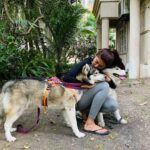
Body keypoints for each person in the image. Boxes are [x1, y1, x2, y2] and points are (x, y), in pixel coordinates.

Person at [60, 48, 125, 135]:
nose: (96, 65)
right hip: (78, 100)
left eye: (101, 66)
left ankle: (89, 114)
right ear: (96, 55)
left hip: (89, 99)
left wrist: (109, 80)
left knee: (113, 105)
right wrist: (84, 82)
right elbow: (66, 77)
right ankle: (89, 123)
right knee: (104, 86)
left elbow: (113, 86)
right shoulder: (86, 62)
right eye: (96, 61)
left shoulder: (102, 69)